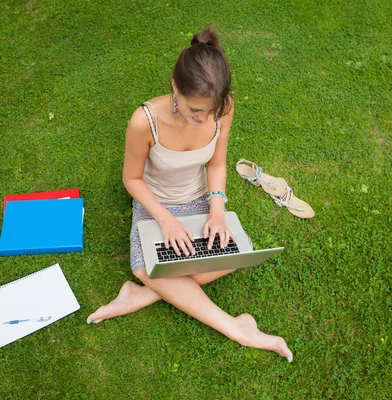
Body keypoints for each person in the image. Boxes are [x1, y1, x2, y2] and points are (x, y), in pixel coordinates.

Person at [87, 26, 292, 362]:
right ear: (174, 88)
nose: (202, 120)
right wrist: (166, 221)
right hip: (156, 204)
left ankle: (142, 294)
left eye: (209, 112)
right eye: (195, 110)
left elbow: (216, 165)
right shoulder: (144, 121)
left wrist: (215, 211)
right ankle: (237, 328)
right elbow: (132, 179)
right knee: (149, 267)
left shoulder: (223, 108)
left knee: (237, 253)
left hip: (199, 198)